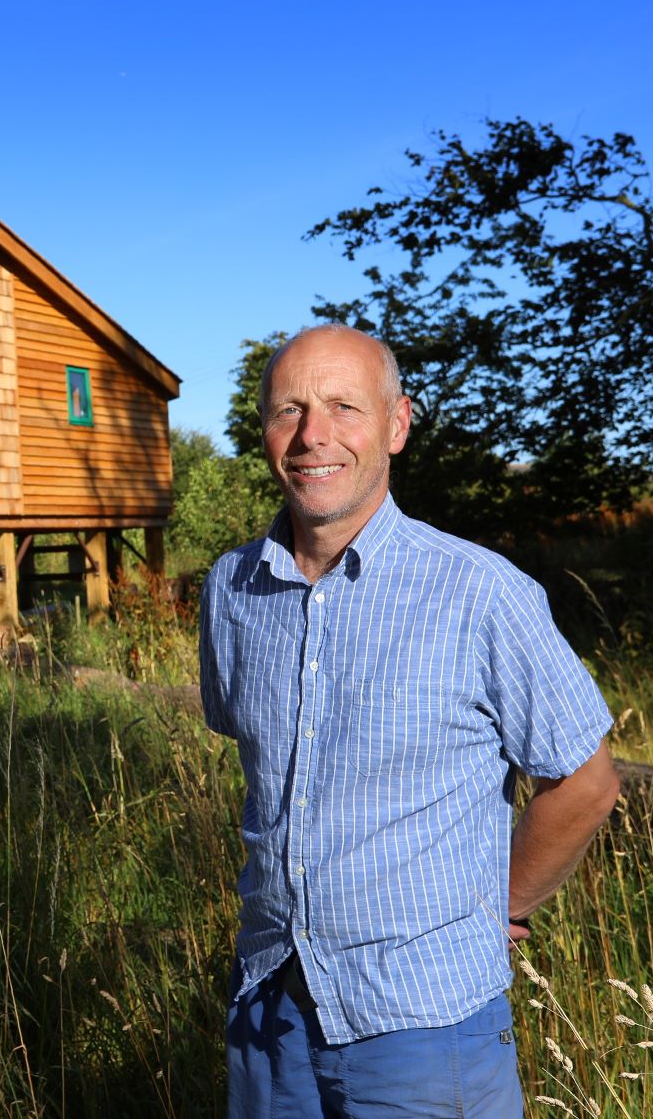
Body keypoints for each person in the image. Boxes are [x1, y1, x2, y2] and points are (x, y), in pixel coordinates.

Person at [198, 324, 620, 1117]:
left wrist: (504, 906)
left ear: (395, 425)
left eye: (342, 406)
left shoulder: (479, 592)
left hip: (423, 1025)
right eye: (287, 410)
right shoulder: (231, 589)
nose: (311, 435)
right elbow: (259, 764)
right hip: (267, 1005)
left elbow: (587, 781)